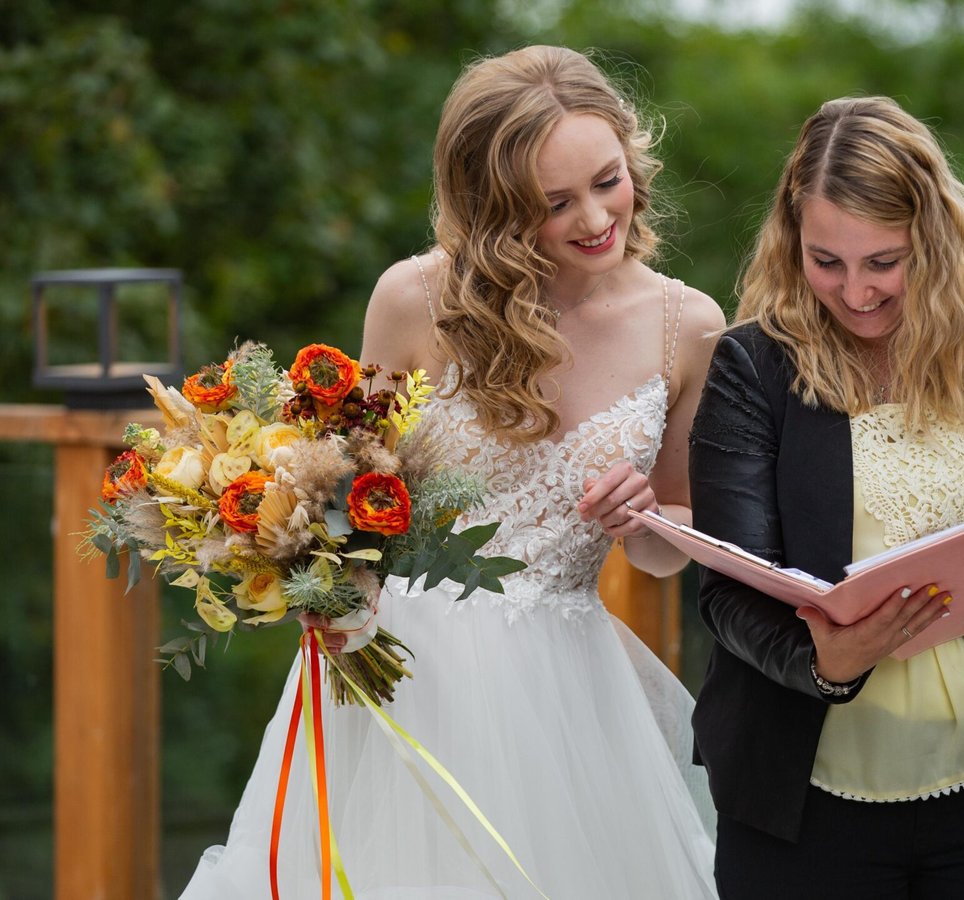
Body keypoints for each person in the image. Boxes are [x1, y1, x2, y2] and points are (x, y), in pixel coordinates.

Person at [180, 45, 724, 898]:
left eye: (607, 180)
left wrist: (647, 517)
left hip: (569, 704)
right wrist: (332, 591)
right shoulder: (415, 301)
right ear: (495, 208)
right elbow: (346, 504)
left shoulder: (685, 326)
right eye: (555, 203)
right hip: (395, 675)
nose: (594, 218)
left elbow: (672, 547)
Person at [688, 96, 964, 900]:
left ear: (934, 240)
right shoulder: (753, 367)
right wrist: (823, 662)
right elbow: (727, 589)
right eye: (827, 261)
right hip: (802, 794)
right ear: (792, 243)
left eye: (882, 263)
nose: (855, 292)